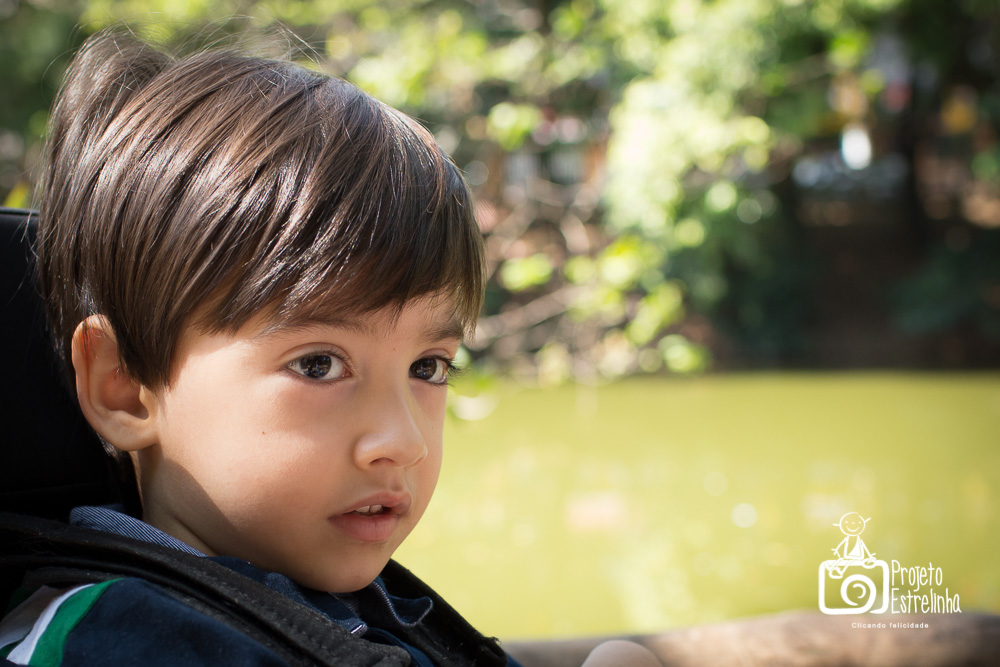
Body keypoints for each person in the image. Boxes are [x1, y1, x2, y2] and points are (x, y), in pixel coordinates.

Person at [0, 28, 660, 666]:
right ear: (124, 385)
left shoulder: (359, 601)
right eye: (319, 364)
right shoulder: (127, 639)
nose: (405, 441)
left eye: (428, 367)